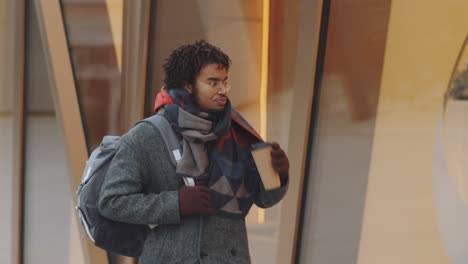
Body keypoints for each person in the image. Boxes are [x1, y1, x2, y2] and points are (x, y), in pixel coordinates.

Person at [98, 40, 290, 264]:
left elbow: (264, 200)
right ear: (188, 85)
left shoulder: (238, 131)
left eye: (225, 81)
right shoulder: (147, 136)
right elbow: (111, 202)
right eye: (213, 82)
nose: (223, 90)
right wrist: (176, 203)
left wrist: (278, 175)